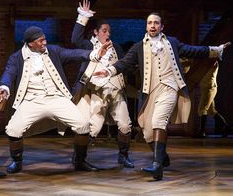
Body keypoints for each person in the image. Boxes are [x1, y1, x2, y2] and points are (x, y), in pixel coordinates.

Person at [93, 12, 231, 180]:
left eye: (156, 23)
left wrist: (215, 51)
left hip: (169, 87)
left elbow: (192, 50)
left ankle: (157, 166)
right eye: (150, 22)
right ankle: (162, 157)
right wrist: (108, 70)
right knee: (147, 130)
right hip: (150, 91)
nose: (152, 25)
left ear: (161, 26)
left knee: (159, 121)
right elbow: (124, 63)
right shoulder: (139, 47)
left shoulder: (172, 43)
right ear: (146, 26)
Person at [0, 25, 111, 174]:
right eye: (40, 41)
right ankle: (17, 161)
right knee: (13, 129)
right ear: (30, 43)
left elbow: (73, 54)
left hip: (57, 98)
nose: (44, 43)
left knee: (83, 125)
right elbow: (9, 73)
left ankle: (80, 160)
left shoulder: (54, 51)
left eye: (44, 39)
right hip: (31, 100)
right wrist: (4, 88)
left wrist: (95, 54)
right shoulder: (17, 57)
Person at [71, 0, 134, 168]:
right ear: (96, 32)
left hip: (116, 92)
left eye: (109, 31)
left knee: (125, 125)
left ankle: (123, 156)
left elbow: (124, 65)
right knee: (93, 128)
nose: (107, 33)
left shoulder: (116, 48)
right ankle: (79, 158)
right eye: (104, 31)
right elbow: (75, 39)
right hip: (97, 93)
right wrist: (82, 16)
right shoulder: (88, 46)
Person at [198, 60, 230, 137]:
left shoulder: (212, 61)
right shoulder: (207, 61)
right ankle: (226, 127)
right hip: (206, 87)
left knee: (202, 109)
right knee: (211, 111)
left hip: (209, 87)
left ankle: (202, 132)